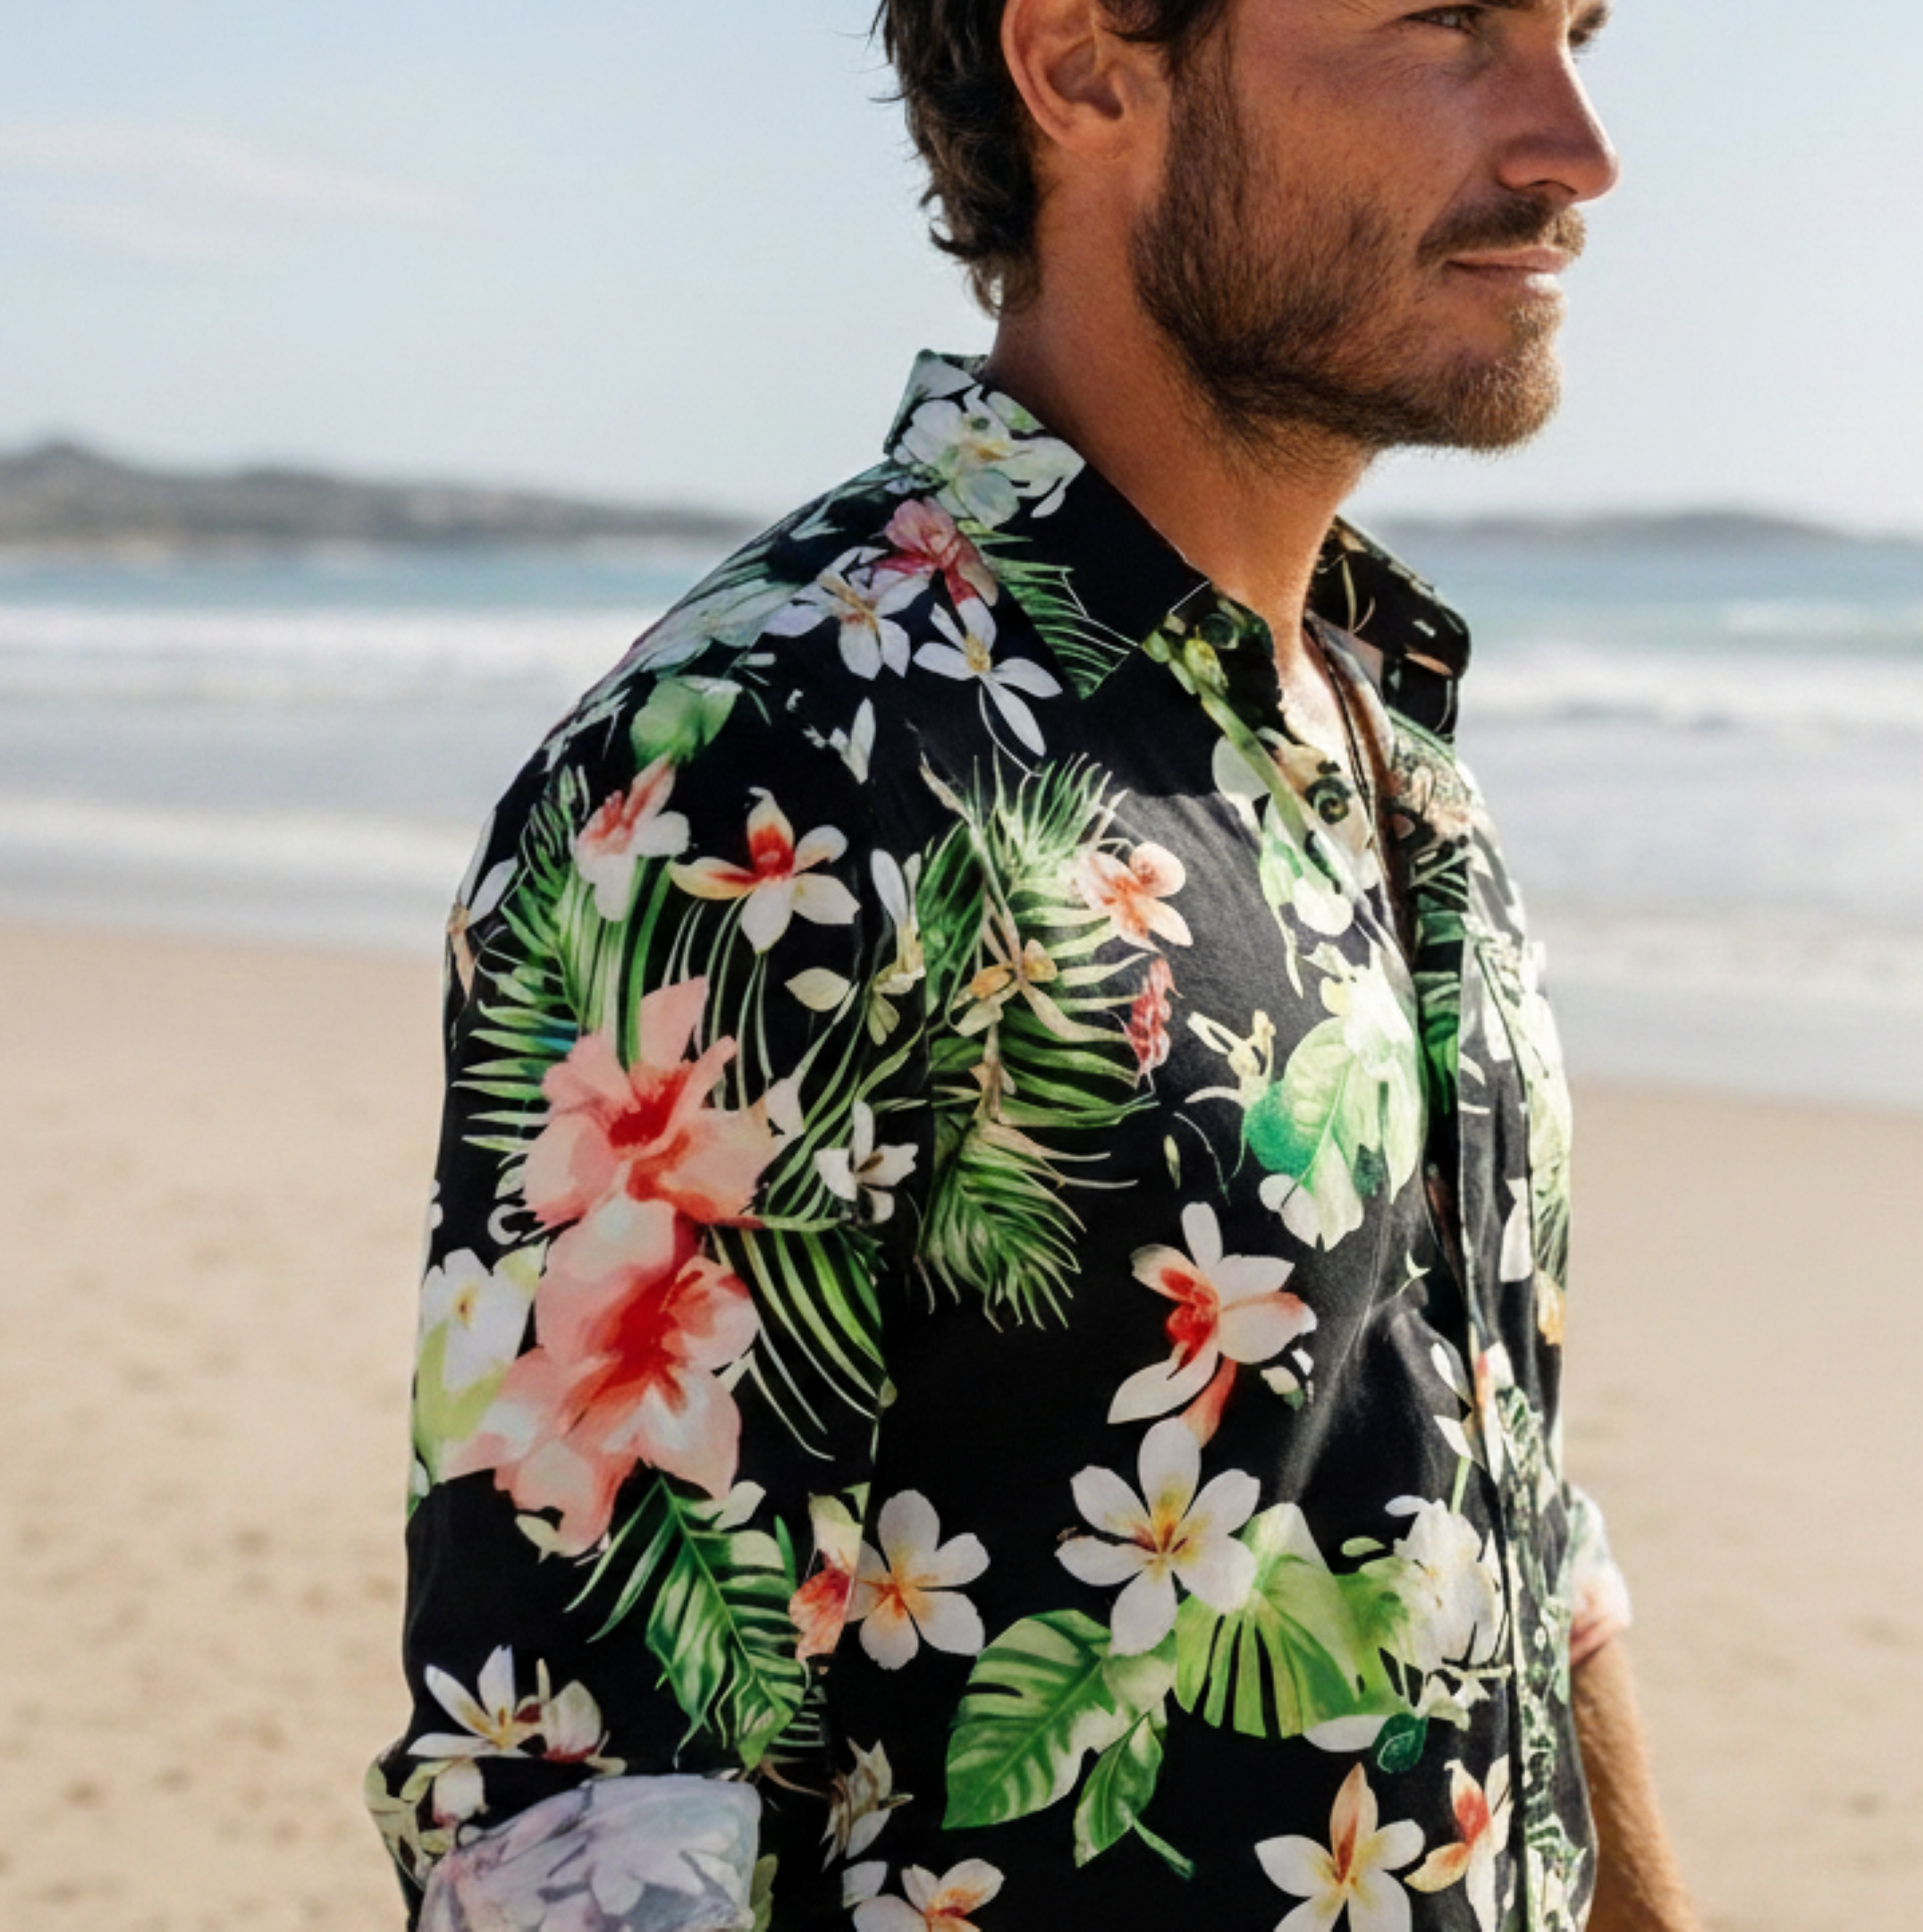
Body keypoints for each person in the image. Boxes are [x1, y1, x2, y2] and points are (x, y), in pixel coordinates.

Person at [367, 4, 1699, 1928]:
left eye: (1575, 32)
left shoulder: (1382, 743)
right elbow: (582, 1802)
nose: (1576, 146)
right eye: (1450, 25)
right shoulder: (766, 769)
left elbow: (1499, 1505)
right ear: (1083, 63)